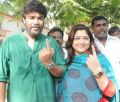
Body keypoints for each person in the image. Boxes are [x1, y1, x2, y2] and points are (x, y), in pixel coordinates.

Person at [0, 0, 66, 102]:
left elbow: (61, 73)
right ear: (24, 19)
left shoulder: (52, 43)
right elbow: (1, 76)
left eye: (40, 18)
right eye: (32, 18)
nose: (36, 22)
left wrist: (49, 63)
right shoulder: (9, 43)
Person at [58, 24, 118, 102]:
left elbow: (110, 91)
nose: (81, 42)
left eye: (85, 38)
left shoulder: (100, 59)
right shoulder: (65, 63)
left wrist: (97, 71)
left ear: (90, 41)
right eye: (77, 38)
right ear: (71, 41)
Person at [91, 16, 120, 101]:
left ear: (108, 26)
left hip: (118, 86)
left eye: (104, 25)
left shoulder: (117, 42)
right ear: (92, 28)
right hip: (98, 89)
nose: (102, 28)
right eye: (98, 25)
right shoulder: (89, 43)